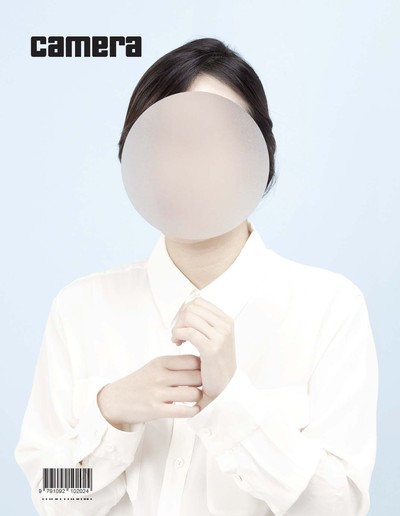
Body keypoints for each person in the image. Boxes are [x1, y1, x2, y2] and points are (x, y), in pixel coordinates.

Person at [15, 37, 378, 516]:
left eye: (220, 137)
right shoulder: (81, 308)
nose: (195, 163)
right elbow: (52, 496)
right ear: (138, 157)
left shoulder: (328, 308)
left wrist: (234, 404)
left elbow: (339, 506)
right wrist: (110, 415)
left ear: (260, 154)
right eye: (171, 140)